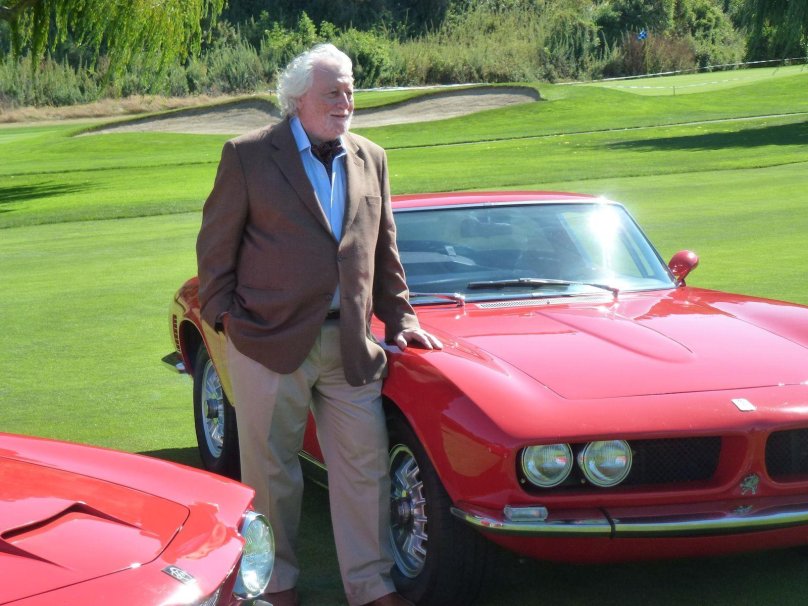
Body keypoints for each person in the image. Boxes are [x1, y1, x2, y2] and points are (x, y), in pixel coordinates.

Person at [196, 43, 442, 606]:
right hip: (267, 341)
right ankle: (274, 583)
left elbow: (384, 249)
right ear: (298, 98)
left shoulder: (372, 156)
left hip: (351, 343)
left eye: (351, 90)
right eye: (333, 92)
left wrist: (401, 316)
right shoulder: (248, 155)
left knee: (365, 469)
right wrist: (225, 317)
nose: (345, 101)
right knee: (271, 473)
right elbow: (215, 248)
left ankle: (371, 586)